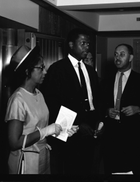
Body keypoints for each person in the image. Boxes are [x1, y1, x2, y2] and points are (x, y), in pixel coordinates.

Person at [4, 45, 77, 174]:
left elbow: (40, 127)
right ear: (27, 71)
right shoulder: (18, 99)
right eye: (40, 68)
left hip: (42, 155)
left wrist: (60, 130)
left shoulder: (39, 93)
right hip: (26, 161)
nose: (45, 72)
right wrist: (46, 131)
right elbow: (14, 143)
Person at [41, 28, 104, 175]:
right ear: (71, 45)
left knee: (90, 168)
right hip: (71, 130)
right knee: (72, 170)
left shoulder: (90, 71)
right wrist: (77, 123)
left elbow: (97, 99)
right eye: (83, 43)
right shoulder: (57, 69)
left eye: (88, 44)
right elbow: (52, 103)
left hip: (92, 128)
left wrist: (101, 121)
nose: (87, 47)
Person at [101, 43, 140, 176]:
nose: (117, 58)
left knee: (133, 174)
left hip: (133, 139)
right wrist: (106, 111)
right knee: (111, 172)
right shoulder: (106, 82)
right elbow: (99, 105)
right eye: (116, 54)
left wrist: (138, 108)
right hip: (111, 139)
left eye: (122, 54)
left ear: (131, 57)